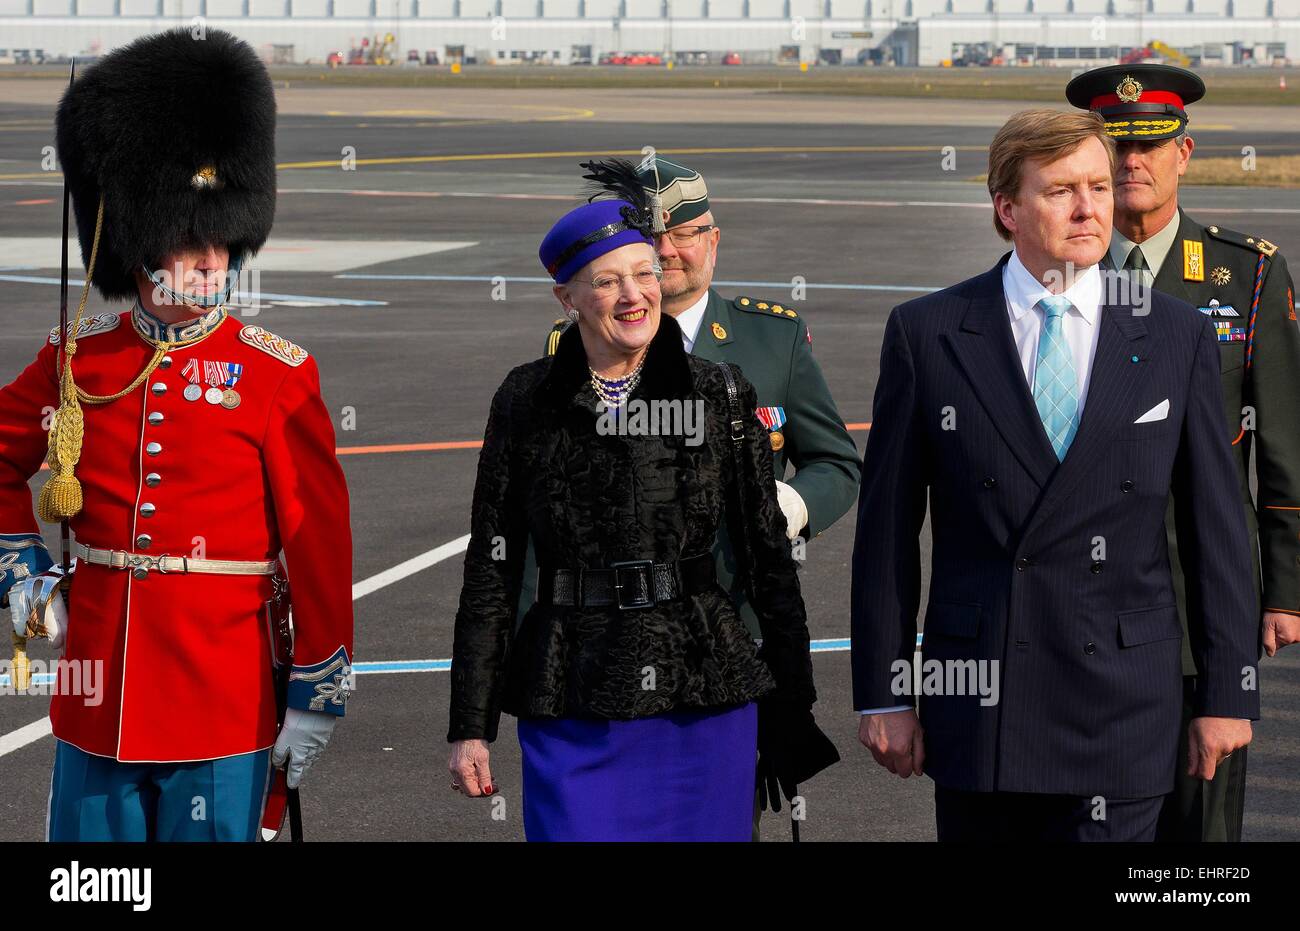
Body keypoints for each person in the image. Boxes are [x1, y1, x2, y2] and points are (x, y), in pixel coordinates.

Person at [850, 108, 1259, 841]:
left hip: (1125, 705)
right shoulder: (929, 333)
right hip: (983, 702)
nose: (1089, 208)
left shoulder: (1175, 333)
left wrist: (1228, 692)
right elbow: (885, 535)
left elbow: (1217, 531)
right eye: (1062, 189)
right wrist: (883, 693)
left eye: (1099, 187)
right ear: (1007, 209)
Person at [0, 28, 353, 841]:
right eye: (188, 240)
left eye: (220, 242)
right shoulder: (76, 361)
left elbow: (318, 545)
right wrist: (22, 568)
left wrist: (315, 693)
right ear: (141, 239)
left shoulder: (276, 372)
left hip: (222, 701)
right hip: (99, 700)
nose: (207, 261)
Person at [446, 161, 836, 841]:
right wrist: (469, 725)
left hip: (703, 697)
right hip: (571, 695)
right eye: (608, 281)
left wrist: (792, 706)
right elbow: (492, 568)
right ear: (566, 298)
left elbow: (768, 559)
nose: (634, 295)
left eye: (644, 274)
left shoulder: (718, 393)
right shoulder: (526, 398)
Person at [1067, 63, 1300, 842]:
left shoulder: (1247, 273)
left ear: (1184, 152)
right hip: (1085, 597)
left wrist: (1285, 588)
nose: (1132, 163)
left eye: (1150, 147)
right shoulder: (1057, 275)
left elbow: (1285, 443)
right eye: (1115, 149)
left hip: (1204, 593)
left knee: (1199, 827)